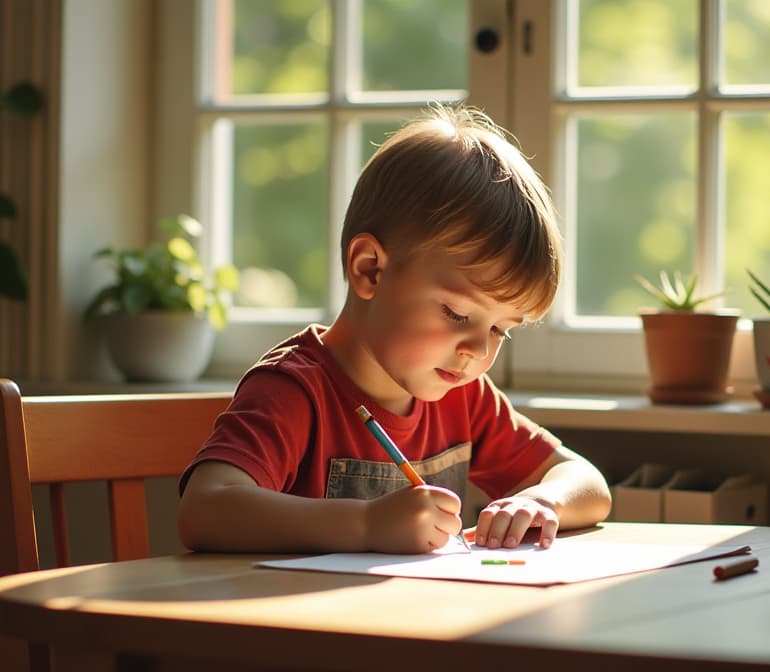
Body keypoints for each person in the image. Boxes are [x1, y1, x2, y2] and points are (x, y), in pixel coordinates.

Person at [178, 104, 612, 555]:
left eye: (501, 329)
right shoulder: (295, 390)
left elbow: (587, 482)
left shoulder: (464, 397)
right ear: (370, 271)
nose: (478, 351)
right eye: (458, 314)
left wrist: (542, 501)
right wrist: (366, 524)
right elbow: (204, 510)